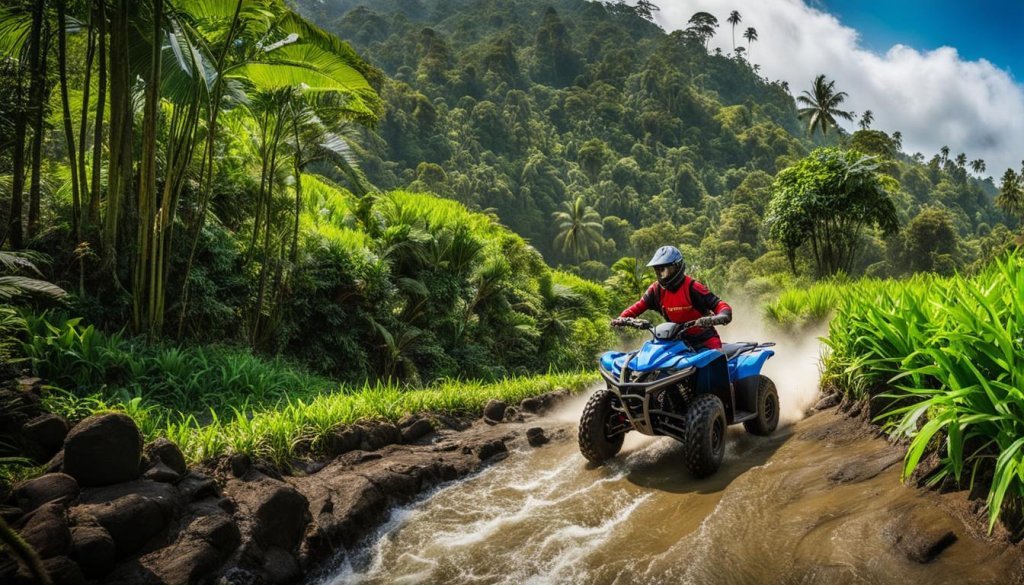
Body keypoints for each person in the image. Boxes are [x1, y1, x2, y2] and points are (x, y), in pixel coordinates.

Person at [611, 246, 732, 349]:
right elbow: (637, 307)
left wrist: (721, 316)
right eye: (657, 270)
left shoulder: (692, 287)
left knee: (716, 361)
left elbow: (719, 305)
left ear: (677, 267)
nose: (661, 274)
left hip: (704, 340)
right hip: (676, 343)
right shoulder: (655, 290)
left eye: (664, 270)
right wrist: (622, 318)